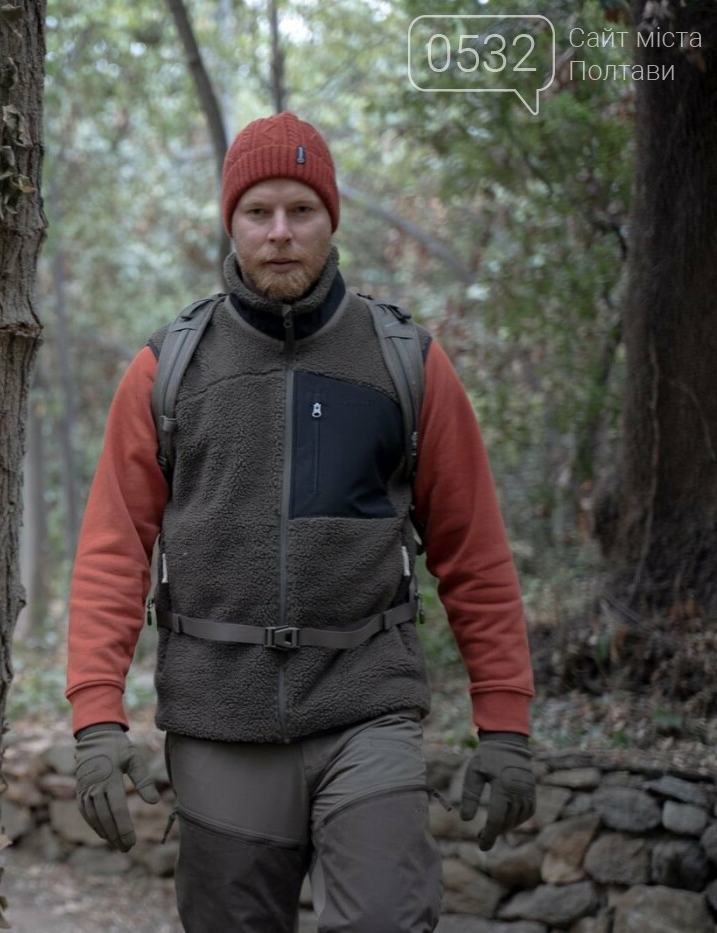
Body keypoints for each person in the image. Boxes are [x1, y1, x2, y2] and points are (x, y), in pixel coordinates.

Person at [65, 112, 536, 932]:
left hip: (367, 707)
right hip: (220, 720)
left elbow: (476, 557)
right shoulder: (168, 370)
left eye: (301, 210)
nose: (280, 233)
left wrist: (506, 725)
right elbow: (113, 553)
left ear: (331, 220)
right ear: (232, 223)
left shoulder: (407, 362)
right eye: (258, 212)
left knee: (388, 918)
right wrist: (96, 719)